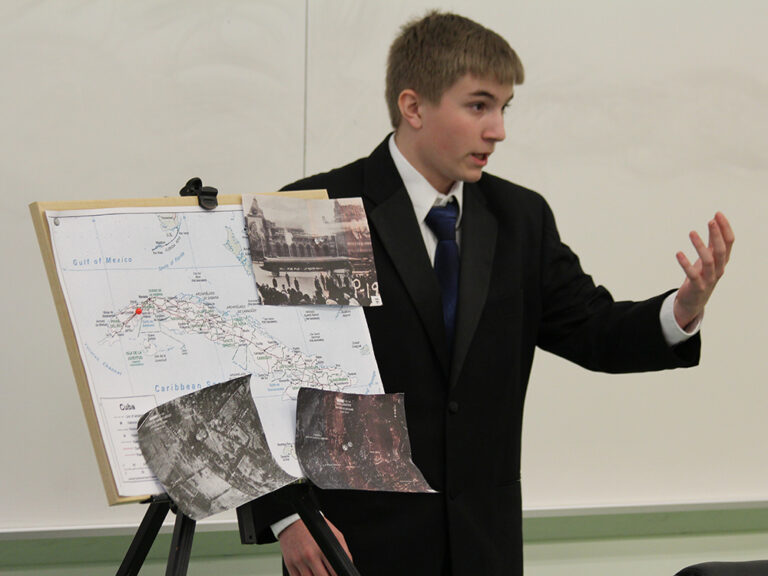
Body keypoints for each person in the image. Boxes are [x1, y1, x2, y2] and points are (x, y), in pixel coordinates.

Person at [243, 11, 734, 576]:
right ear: (414, 106)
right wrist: (286, 517)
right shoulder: (318, 211)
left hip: (484, 548)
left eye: (503, 108)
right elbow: (260, 376)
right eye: (479, 106)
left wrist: (683, 311)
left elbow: (593, 330)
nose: (498, 129)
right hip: (350, 550)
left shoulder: (519, 217)